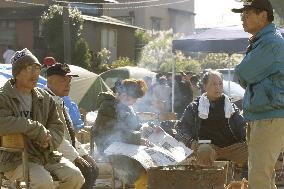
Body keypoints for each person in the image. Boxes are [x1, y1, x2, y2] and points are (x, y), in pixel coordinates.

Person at [0, 48, 84, 188]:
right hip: (14, 158)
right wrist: (34, 128)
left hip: (45, 155)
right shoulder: (3, 97)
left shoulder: (44, 98)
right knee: (43, 182)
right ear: (17, 73)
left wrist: (49, 141)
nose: (35, 74)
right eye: (29, 68)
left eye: (37, 68)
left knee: (75, 177)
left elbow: (57, 126)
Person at [232, 0, 284, 188]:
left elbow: (243, 73)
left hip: (269, 116)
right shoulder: (265, 40)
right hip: (264, 114)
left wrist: (251, 76)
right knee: (263, 175)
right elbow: (246, 75)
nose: (243, 18)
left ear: (264, 15)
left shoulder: (271, 42)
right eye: (242, 15)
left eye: (248, 13)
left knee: (259, 177)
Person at [175, 71, 247, 166]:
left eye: (220, 83)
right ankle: (207, 178)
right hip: (208, 147)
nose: (217, 87)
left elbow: (241, 127)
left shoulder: (231, 106)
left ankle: (243, 179)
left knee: (253, 148)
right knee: (204, 151)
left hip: (231, 148)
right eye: (213, 84)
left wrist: (249, 134)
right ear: (205, 86)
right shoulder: (194, 107)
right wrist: (191, 142)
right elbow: (181, 129)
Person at [45, 63, 99, 189]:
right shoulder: (45, 101)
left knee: (93, 168)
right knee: (85, 171)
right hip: (52, 153)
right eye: (63, 80)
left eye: (69, 81)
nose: (68, 84)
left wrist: (82, 153)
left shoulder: (60, 100)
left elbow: (70, 134)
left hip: (66, 150)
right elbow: (55, 137)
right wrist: (75, 156)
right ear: (50, 82)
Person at [94, 78, 149, 189]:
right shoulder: (108, 106)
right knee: (136, 167)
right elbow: (112, 131)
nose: (133, 101)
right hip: (109, 147)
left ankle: (137, 184)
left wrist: (148, 128)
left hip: (127, 145)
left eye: (135, 99)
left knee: (149, 161)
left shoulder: (128, 108)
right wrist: (138, 139)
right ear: (123, 93)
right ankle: (129, 184)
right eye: (133, 97)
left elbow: (136, 126)